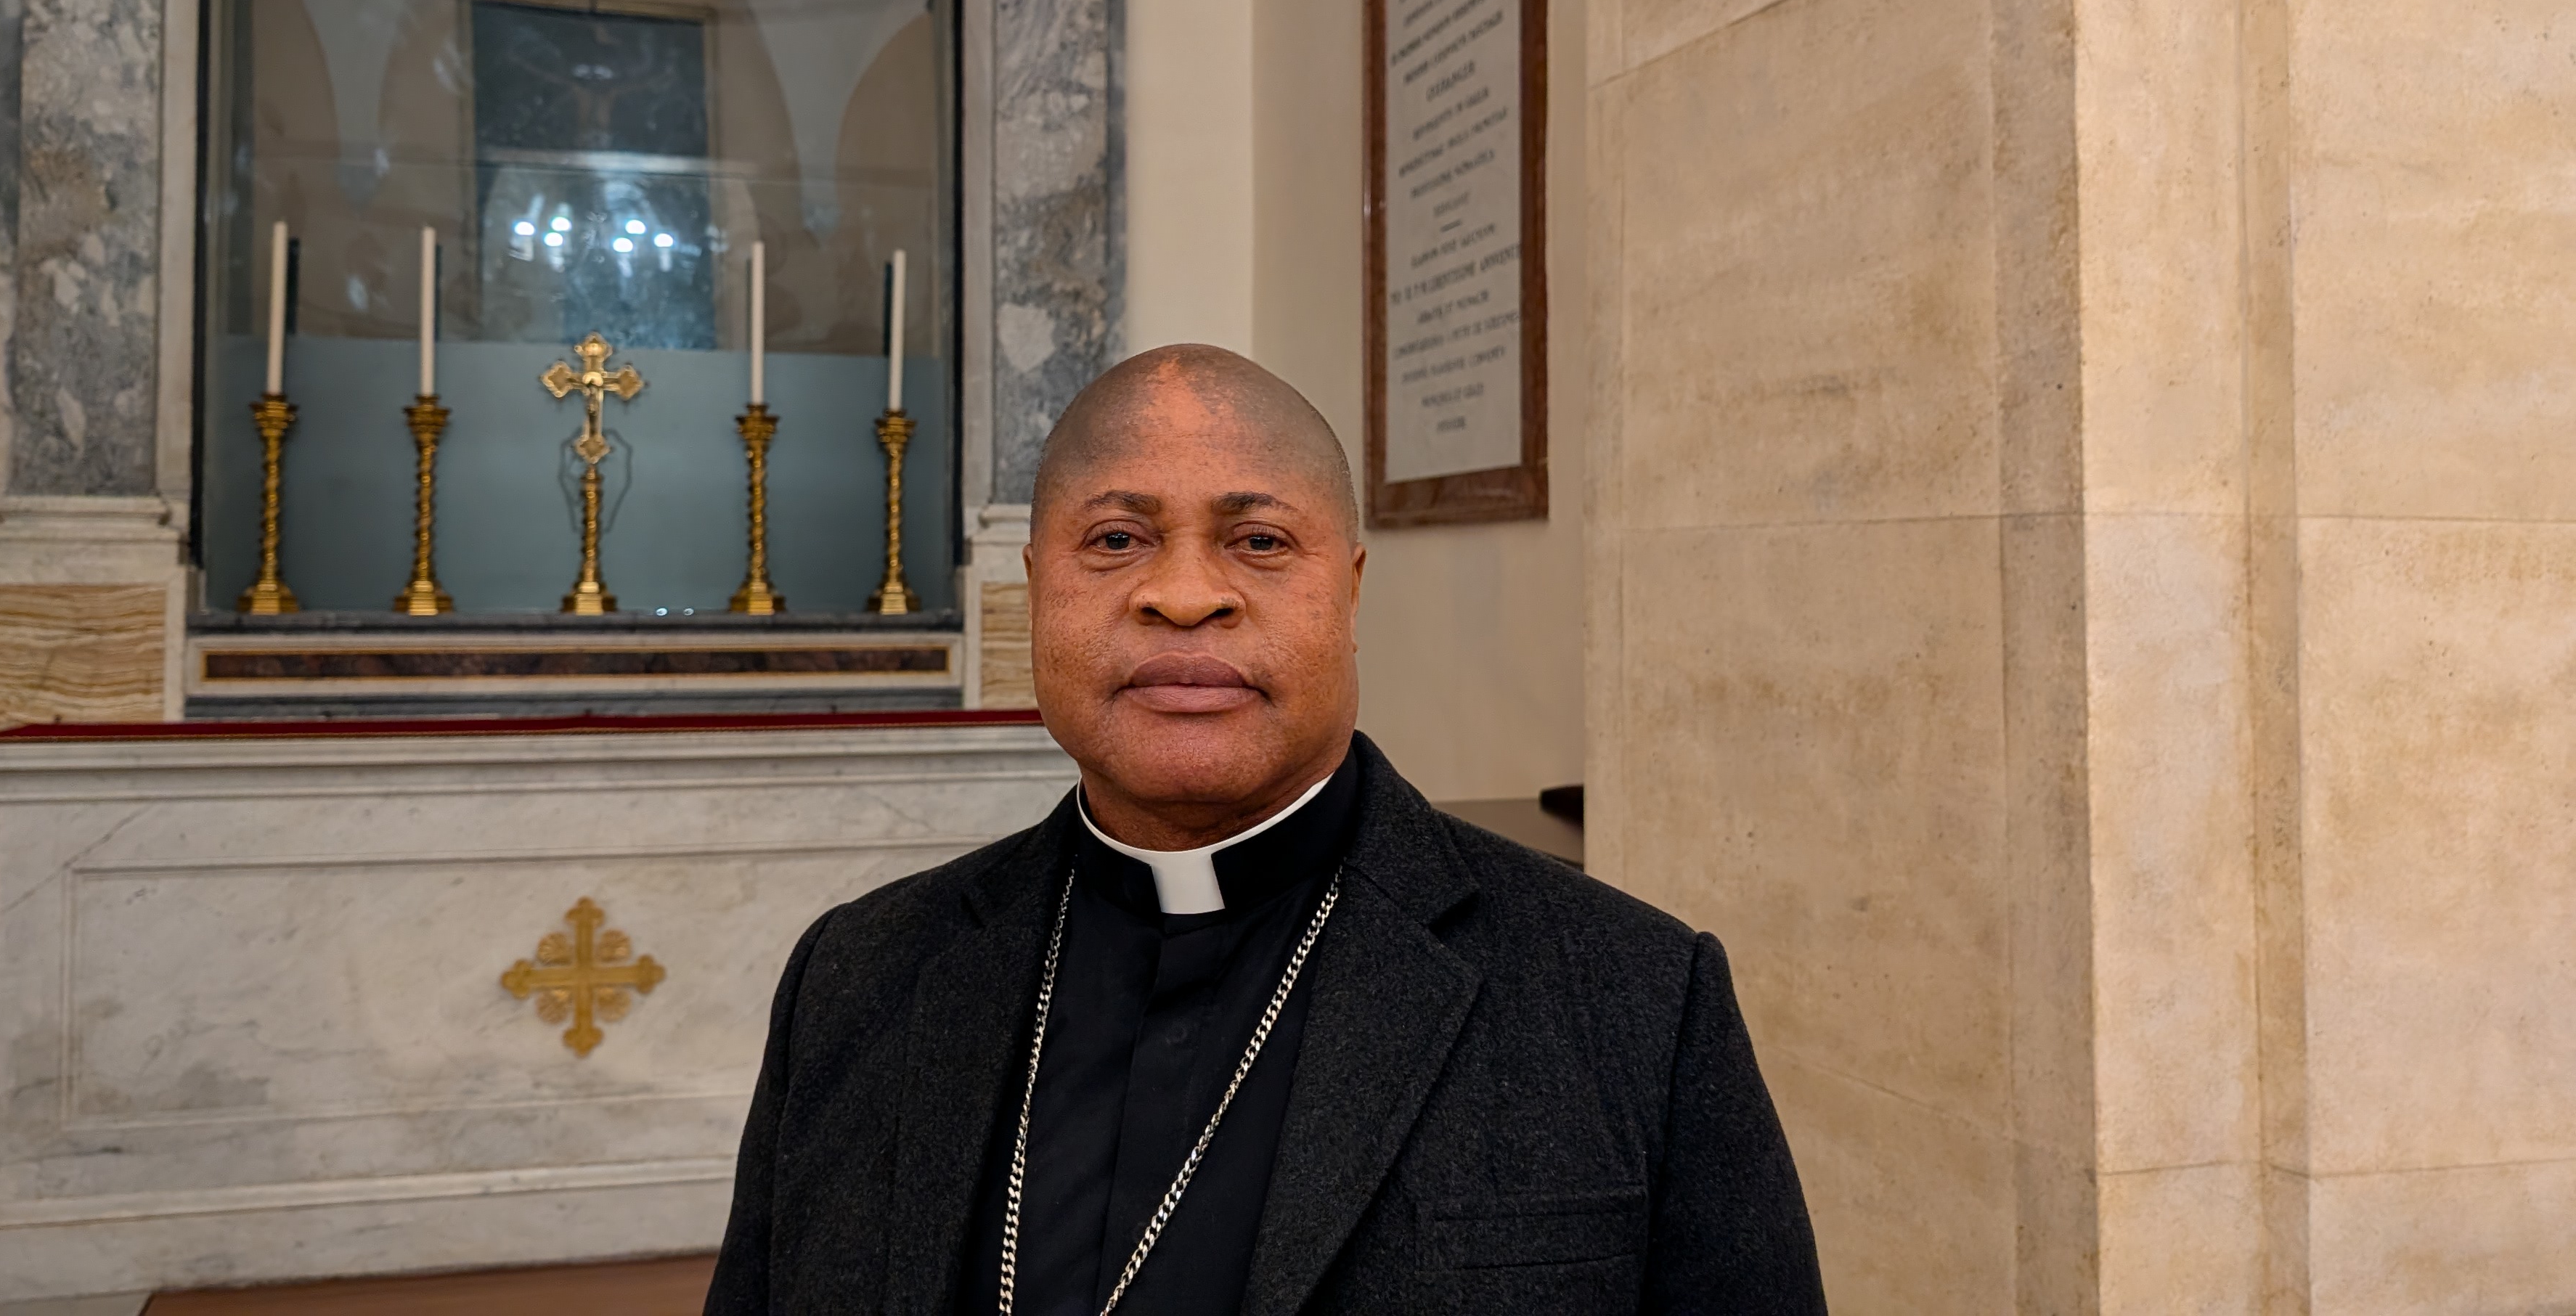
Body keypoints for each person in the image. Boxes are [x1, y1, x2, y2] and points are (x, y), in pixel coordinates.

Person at [706, 345, 1824, 1314]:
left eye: (1258, 542)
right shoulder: (856, 978)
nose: (1185, 595)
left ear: (1347, 590)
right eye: (1114, 540)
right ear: (1039, 587)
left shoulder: (1636, 999)